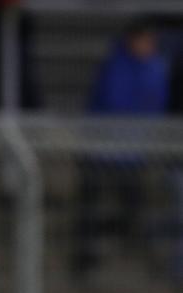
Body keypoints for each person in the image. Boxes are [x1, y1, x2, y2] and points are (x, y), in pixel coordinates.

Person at [74, 19, 169, 279]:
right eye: (145, 39)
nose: (149, 45)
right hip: (102, 149)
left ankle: (133, 249)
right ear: (132, 41)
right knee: (91, 202)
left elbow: (155, 110)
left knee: (133, 206)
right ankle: (86, 256)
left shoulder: (156, 68)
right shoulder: (115, 67)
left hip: (133, 152)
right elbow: (111, 106)